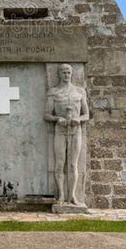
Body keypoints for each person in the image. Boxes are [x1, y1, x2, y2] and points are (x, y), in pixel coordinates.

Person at [44, 64, 89, 205]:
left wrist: (78, 119)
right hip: (60, 131)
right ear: (59, 74)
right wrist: (58, 119)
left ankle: (73, 196)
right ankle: (61, 196)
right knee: (59, 164)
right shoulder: (54, 92)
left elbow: (86, 114)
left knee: (73, 165)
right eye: (63, 72)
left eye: (68, 72)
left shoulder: (80, 92)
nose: (66, 74)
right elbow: (46, 114)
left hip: (76, 131)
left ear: (72, 74)